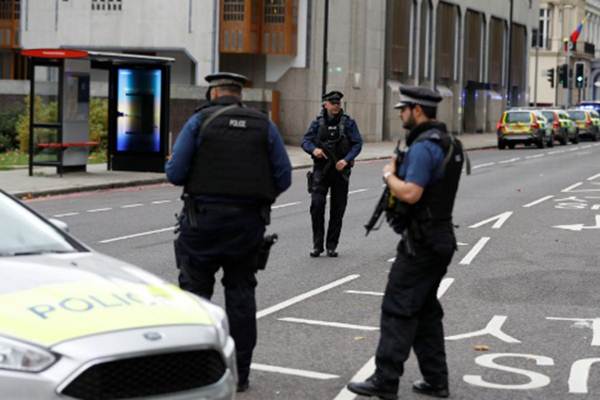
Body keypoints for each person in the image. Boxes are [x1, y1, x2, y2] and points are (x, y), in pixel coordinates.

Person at [166, 72, 292, 393]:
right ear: (240, 95)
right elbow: (284, 177)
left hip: (202, 224)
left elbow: (176, 173)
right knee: (241, 296)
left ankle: (195, 370)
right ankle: (242, 373)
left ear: (213, 93)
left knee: (195, 298)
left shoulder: (199, 123)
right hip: (247, 227)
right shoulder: (264, 125)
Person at [347, 86, 465, 400]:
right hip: (439, 239)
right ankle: (436, 380)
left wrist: (389, 175)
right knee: (425, 312)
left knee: (397, 308)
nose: (400, 113)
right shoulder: (448, 142)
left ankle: (385, 382)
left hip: (421, 244)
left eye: (404, 108)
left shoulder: (425, 147)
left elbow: (412, 193)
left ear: (417, 110)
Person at [301, 90, 362, 257]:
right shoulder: (317, 123)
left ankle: (331, 246)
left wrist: (347, 159)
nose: (336, 106)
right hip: (321, 171)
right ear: (325, 104)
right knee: (317, 206)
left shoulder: (348, 123)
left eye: (338, 103)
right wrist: (314, 150)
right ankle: (317, 246)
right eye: (332, 103)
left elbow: (357, 143)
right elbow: (305, 140)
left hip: (340, 172)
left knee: (338, 209)